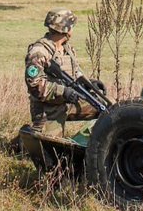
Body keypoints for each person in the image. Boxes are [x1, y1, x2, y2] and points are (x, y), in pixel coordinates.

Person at [24, 8, 102, 136]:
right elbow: (34, 86)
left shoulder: (67, 49)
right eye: (72, 26)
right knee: (49, 148)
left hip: (68, 103)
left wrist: (91, 83)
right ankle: (22, 141)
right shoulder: (38, 52)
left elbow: (75, 74)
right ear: (65, 29)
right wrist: (63, 92)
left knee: (107, 108)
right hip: (48, 109)